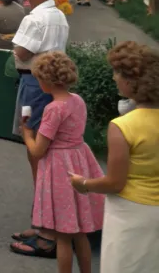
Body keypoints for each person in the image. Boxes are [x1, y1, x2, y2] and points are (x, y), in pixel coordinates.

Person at [69, 41, 159, 273]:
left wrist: (84, 184)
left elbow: (115, 183)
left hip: (131, 212)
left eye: (117, 73)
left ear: (131, 81)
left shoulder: (122, 126)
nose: (114, 78)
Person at [18, 51, 104, 273]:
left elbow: (38, 150)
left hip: (59, 168)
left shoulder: (53, 109)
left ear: (47, 82)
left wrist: (27, 133)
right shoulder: (77, 100)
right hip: (78, 160)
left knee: (64, 237)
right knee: (80, 233)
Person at [10, 0, 70, 258]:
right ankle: (42, 219)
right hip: (49, 79)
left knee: (35, 147)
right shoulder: (58, 15)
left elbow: (22, 52)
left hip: (34, 81)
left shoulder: (34, 18)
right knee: (45, 147)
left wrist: (13, 50)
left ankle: (45, 224)